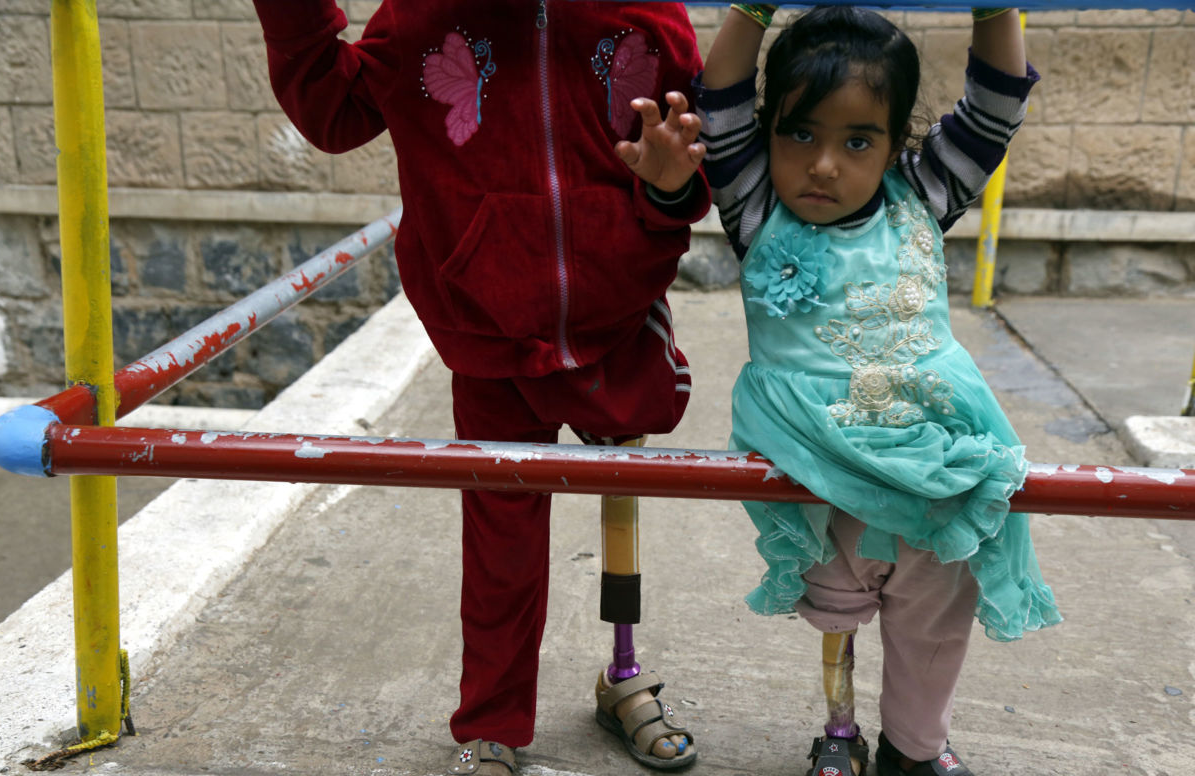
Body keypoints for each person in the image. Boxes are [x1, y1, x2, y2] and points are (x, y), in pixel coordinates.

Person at [249, 2, 710, 773]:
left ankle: (623, 673)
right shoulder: (421, 14)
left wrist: (665, 199)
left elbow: (694, 157)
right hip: (487, 326)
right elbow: (334, 111)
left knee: (624, 492)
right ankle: (492, 722)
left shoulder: (647, 15)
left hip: (619, 314)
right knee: (501, 534)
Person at [688, 5, 1063, 775]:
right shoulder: (756, 210)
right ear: (768, 136)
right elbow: (719, 97)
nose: (824, 165)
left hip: (934, 470)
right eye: (801, 134)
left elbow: (995, 103)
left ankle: (915, 749)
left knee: (933, 621)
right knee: (836, 611)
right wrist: (751, 11)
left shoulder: (921, 199)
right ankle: (837, 731)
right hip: (819, 471)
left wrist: (994, 10)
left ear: (896, 147)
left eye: (857, 141)